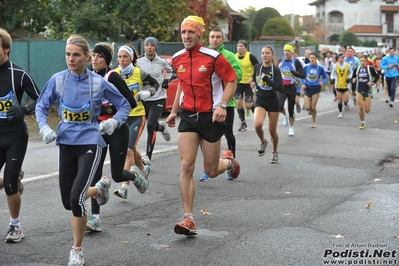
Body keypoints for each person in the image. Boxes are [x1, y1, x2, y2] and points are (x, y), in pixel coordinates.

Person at [35, 34, 131, 265]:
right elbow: (41, 106)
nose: (71, 59)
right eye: (68, 54)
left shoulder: (98, 82)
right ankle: (98, 189)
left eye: (76, 55)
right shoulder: (58, 80)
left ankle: (76, 250)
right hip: (66, 143)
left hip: (91, 142)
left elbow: (125, 104)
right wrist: (44, 127)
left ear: (87, 58)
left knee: (76, 198)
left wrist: (114, 121)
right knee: (68, 202)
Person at [165, 15, 240, 235]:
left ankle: (228, 162)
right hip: (188, 116)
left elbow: (231, 81)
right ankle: (188, 218)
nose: (186, 36)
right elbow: (182, 84)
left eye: (191, 32)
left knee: (211, 169)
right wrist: (174, 111)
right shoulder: (177, 58)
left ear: (199, 34)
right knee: (187, 166)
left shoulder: (213, 57)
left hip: (211, 116)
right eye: (183, 32)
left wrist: (222, 105)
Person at [87, 42, 147, 232]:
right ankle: (95, 218)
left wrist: (108, 111)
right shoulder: (87, 76)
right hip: (98, 132)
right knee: (94, 173)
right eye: (93, 55)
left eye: (99, 56)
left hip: (117, 129)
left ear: (106, 60)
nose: (95, 59)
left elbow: (129, 102)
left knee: (117, 174)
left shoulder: (112, 76)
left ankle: (135, 176)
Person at [0, 28, 41, 243]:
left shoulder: (19, 74)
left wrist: (23, 109)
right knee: (9, 181)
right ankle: (14, 180)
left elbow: (41, 99)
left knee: (8, 185)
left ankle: (15, 227)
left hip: (15, 135)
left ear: (6, 49)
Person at [113, 44, 159, 199]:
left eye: (125, 56)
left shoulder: (139, 72)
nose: (122, 60)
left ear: (132, 58)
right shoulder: (114, 74)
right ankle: (143, 169)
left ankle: (124, 187)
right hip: (122, 117)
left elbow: (155, 83)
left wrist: (149, 92)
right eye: (119, 57)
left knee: (128, 151)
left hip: (138, 115)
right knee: (130, 148)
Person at [199, 27, 242, 182]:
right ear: (208, 39)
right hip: (208, 104)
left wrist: (220, 74)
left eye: (218, 37)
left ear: (223, 40)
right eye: (212, 37)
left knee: (228, 133)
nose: (215, 39)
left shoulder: (229, 56)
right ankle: (208, 167)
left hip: (226, 103)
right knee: (205, 137)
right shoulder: (204, 54)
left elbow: (238, 75)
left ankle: (232, 164)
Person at [137, 37, 174, 166]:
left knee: (150, 125)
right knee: (144, 125)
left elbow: (171, 72)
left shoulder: (162, 61)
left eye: (152, 45)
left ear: (155, 47)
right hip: (143, 98)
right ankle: (162, 127)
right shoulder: (138, 61)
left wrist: (166, 80)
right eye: (147, 45)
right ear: (144, 47)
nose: (149, 47)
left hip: (158, 97)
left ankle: (148, 157)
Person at [251, 46, 283, 163]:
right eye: (263, 53)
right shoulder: (257, 67)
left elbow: (280, 88)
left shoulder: (276, 70)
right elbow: (254, 78)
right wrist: (253, 82)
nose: (264, 55)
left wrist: (268, 80)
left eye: (267, 53)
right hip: (260, 100)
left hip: (273, 101)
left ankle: (275, 152)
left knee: (272, 130)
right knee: (258, 124)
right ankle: (263, 142)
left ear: (272, 55)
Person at [278, 43, 305, 136]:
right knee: (279, 105)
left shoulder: (296, 62)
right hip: (282, 88)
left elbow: (303, 75)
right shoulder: (281, 60)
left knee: (291, 110)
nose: (286, 52)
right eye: (285, 50)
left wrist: (295, 73)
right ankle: (284, 115)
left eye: (288, 51)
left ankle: (291, 127)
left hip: (292, 88)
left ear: (292, 52)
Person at [235, 39, 259, 131]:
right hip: (238, 83)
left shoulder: (250, 56)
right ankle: (243, 123)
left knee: (248, 105)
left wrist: (253, 78)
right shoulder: (234, 57)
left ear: (246, 48)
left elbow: (258, 67)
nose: (239, 48)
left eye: (241, 46)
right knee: (239, 103)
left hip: (248, 83)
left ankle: (253, 107)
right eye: (238, 46)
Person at [351, 55, 379, 129]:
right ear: (359, 61)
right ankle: (363, 123)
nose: (362, 62)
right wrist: (353, 80)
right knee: (360, 107)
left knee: (367, 110)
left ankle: (366, 106)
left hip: (368, 90)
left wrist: (372, 82)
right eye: (361, 61)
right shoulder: (357, 69)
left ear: (366, 61)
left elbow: (377, 76)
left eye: (364, 61)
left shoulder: (370, 69)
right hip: (359, 90)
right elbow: (352, 78)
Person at [301, 52, 328, 128]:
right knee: (307, 108)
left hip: (316, 88)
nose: (312, 59)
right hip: (308, 87)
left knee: (313, 107)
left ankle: (313, 121)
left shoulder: (320, 67)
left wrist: (323, 82)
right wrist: (303, 83)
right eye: (311, 58)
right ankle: (309, 109)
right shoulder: (306, 67)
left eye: (313, 58)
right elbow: (302, 77)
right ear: (309, 58)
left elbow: (325, 77)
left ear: (316, 59)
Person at [330, 52, 353, 118]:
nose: (341, 59)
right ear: (337, 59)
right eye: (339, 58)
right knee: (339, 100)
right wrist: (332, 79)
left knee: (345, 100)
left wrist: (349, 78)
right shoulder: (335, 66)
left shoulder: (347, 65)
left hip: (346, 85)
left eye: (342, 58)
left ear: (344, 58)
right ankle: (340, 112)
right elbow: (332, 73)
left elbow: (351, 72)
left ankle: (346, 104)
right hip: (338, 85)